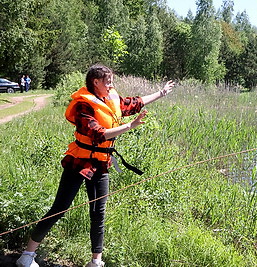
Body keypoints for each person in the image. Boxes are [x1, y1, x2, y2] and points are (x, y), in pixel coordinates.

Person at [16, 64, 175, 267]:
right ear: (95, 82)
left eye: (112, 81)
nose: (112, 85)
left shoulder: (110, 99)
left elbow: (133, 103)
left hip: (101, 164)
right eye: (108, 81)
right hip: (79, 162)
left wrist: (161, 93)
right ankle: (27, 256)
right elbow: (98, 133)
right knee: (60, 208)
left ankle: (95, 262)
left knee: (98, 212)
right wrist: (130, 126)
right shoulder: (84, 106)